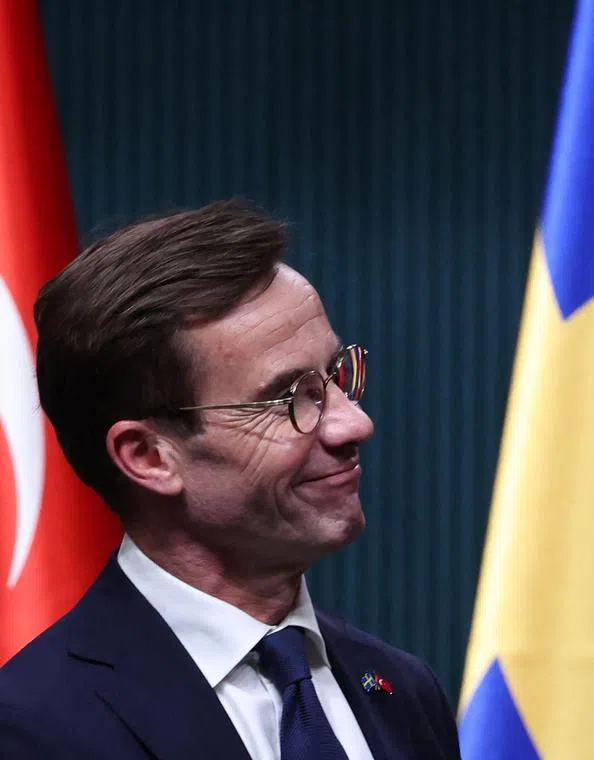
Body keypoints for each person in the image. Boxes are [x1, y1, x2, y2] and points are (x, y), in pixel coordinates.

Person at [0, 200, 461, 760]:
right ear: (149, 456)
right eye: (291, 398)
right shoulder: (34, 728)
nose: (353, 423)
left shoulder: (402, 691)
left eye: (337, 376)